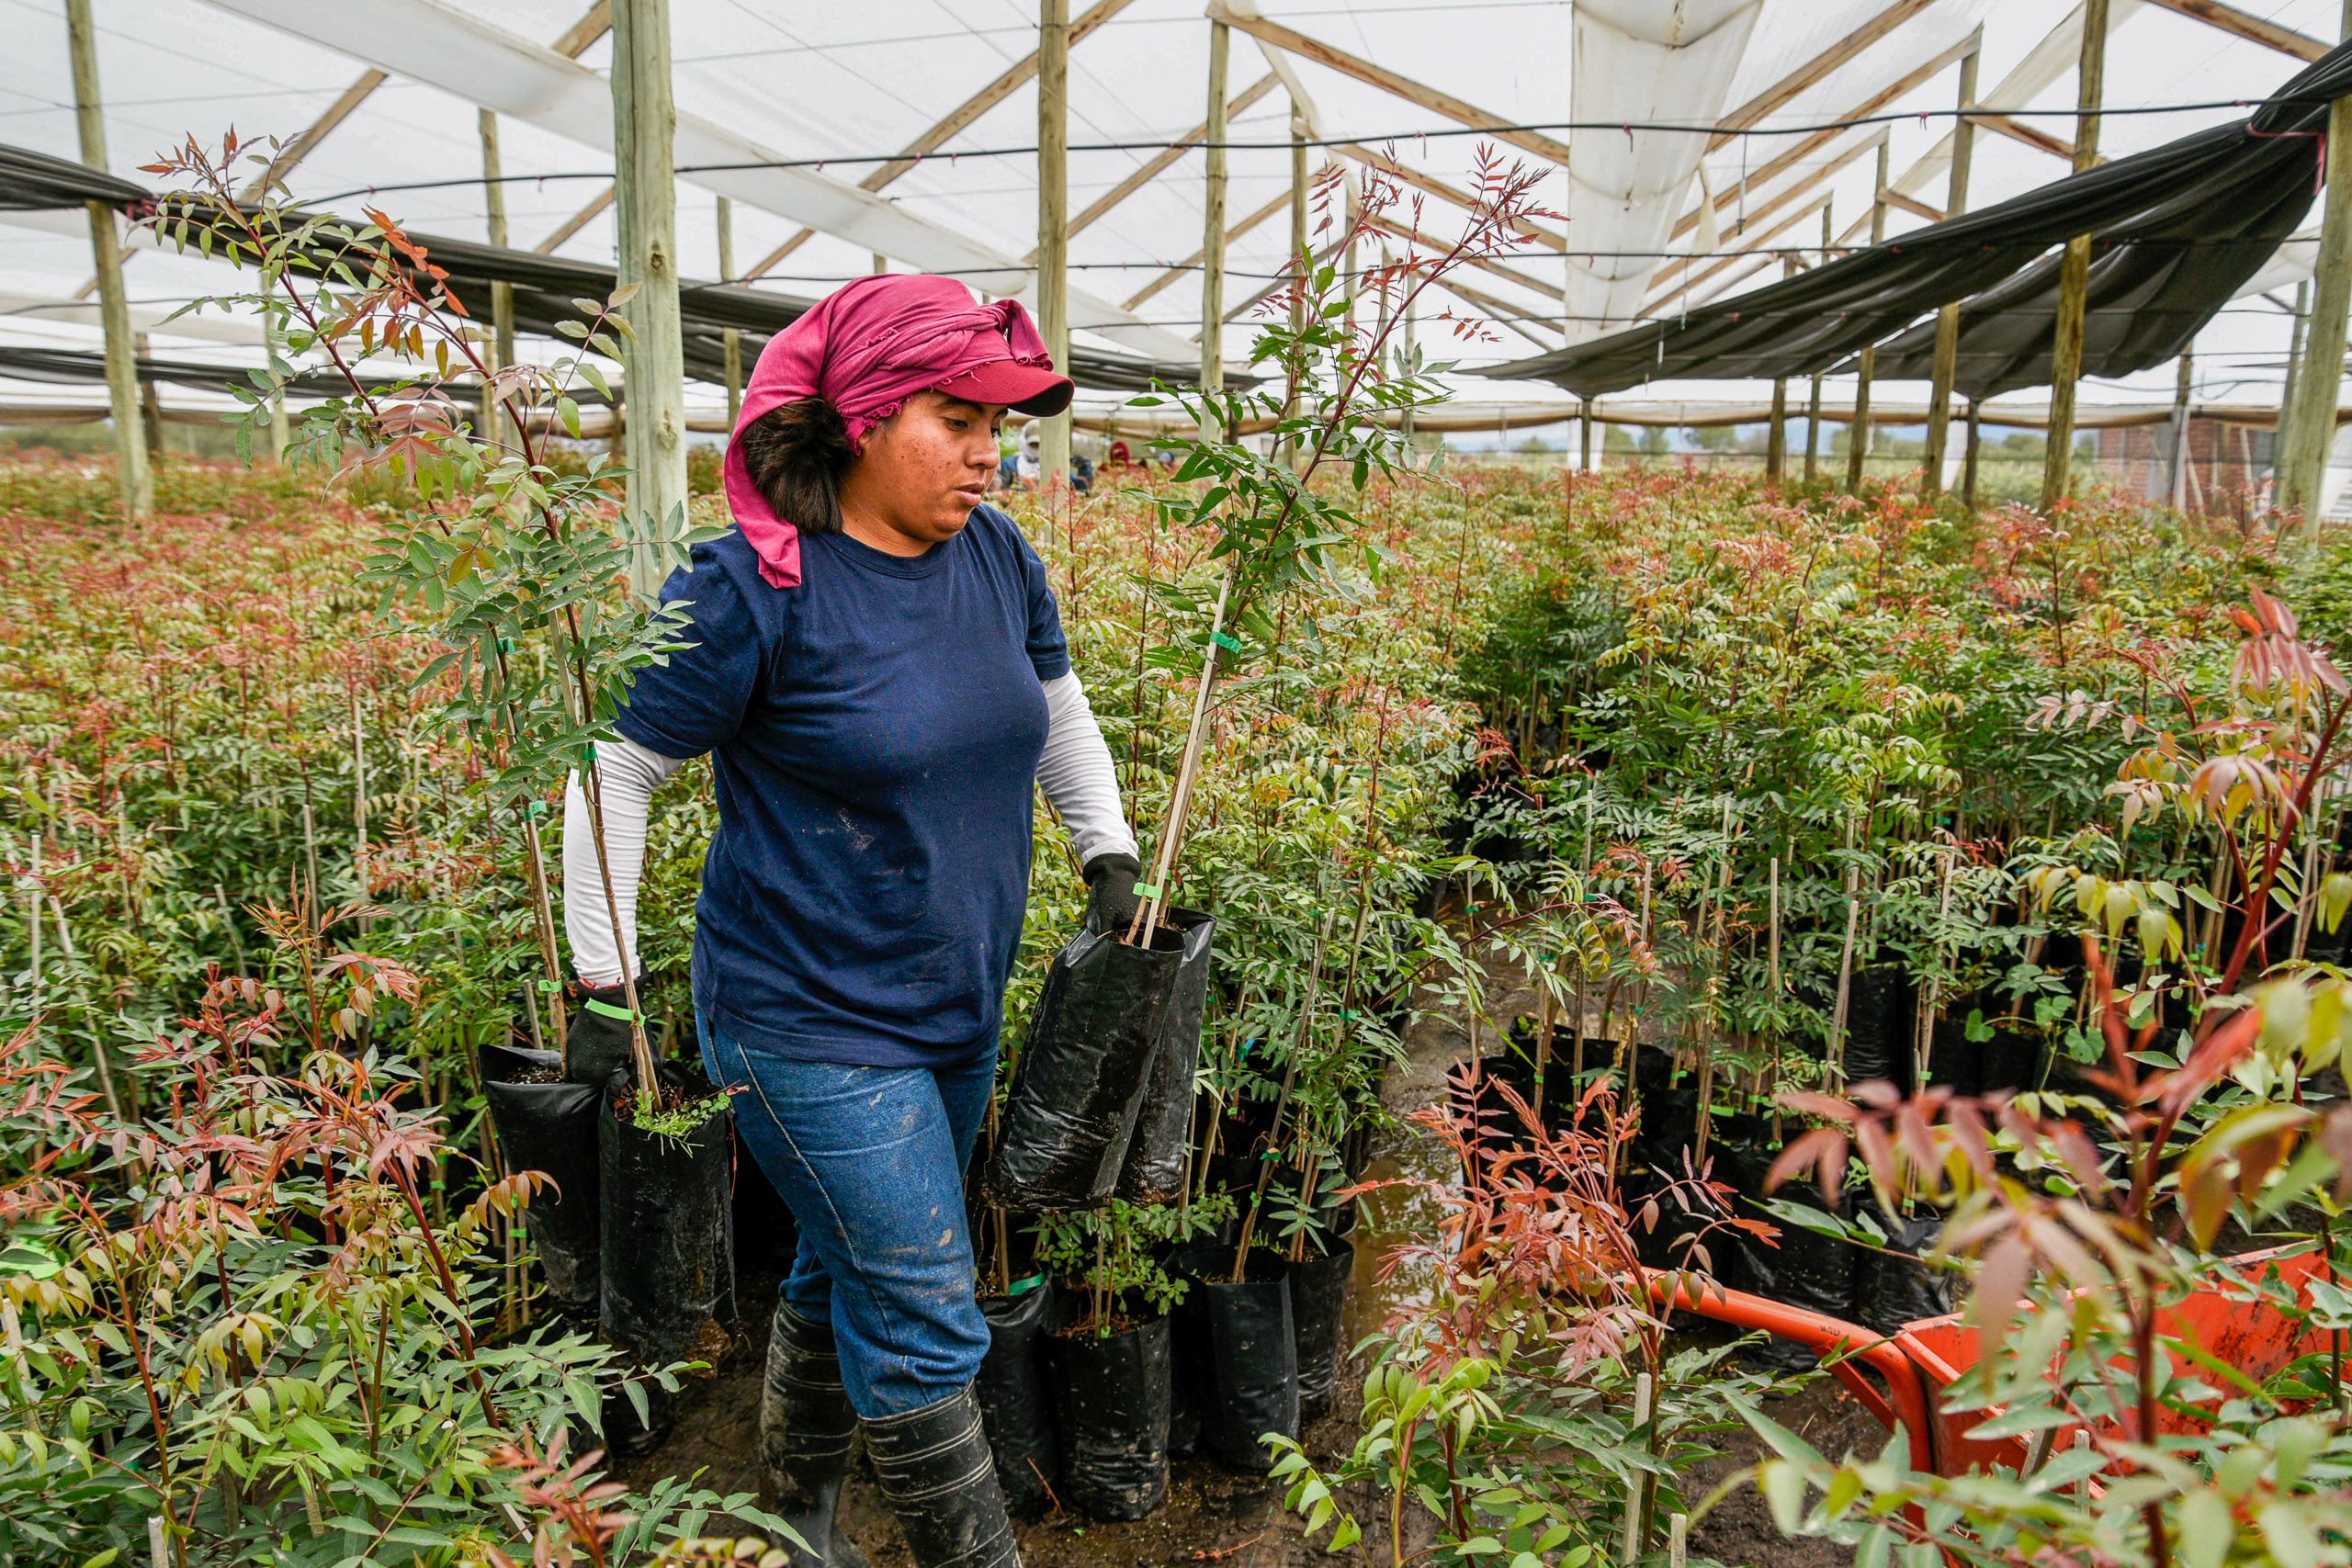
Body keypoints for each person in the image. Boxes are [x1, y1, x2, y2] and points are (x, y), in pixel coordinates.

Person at [559, 274, 1143, 1568]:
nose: (993, 450)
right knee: (932, 1309)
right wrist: (602, 981)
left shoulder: (994, 555)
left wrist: (1106, 846)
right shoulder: (750, 586)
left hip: (954, 1004)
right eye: (960, 416)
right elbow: (617, 765)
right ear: (865, 419)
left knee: (847, 1264)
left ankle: (797, 1511)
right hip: (804, 1016)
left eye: (1003, 421)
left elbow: (1056, 709)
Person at [995, 419, 1094, 493]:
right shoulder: (1010, 464)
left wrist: (1085, 467)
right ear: (1024, 442)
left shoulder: (1055, 465)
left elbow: (1081, 489)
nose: (1035, 448)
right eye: (1032, 444)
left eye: (1038, 444)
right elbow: (997, 491)